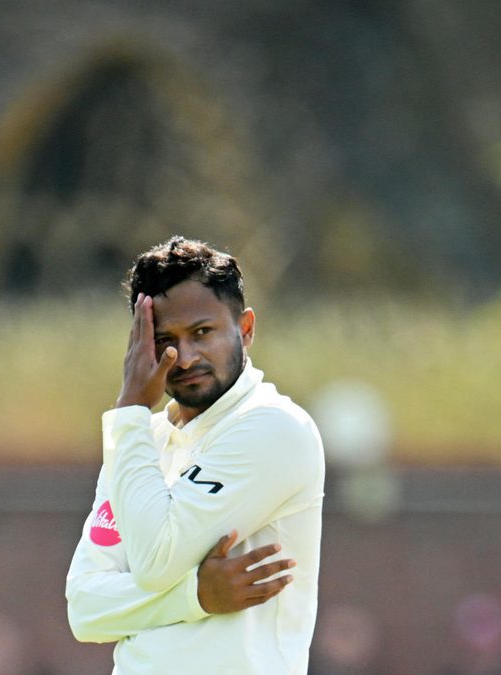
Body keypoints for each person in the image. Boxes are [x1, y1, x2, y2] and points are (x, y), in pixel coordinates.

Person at [65, 236, 326, 674]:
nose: (184, 357)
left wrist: (129, 409)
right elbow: (85, 610)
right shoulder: (138, 439)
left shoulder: (272, 428)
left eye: (202, 333)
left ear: (245, 329)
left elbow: (155, 561)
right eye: (164, 339)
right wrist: (196, 596)